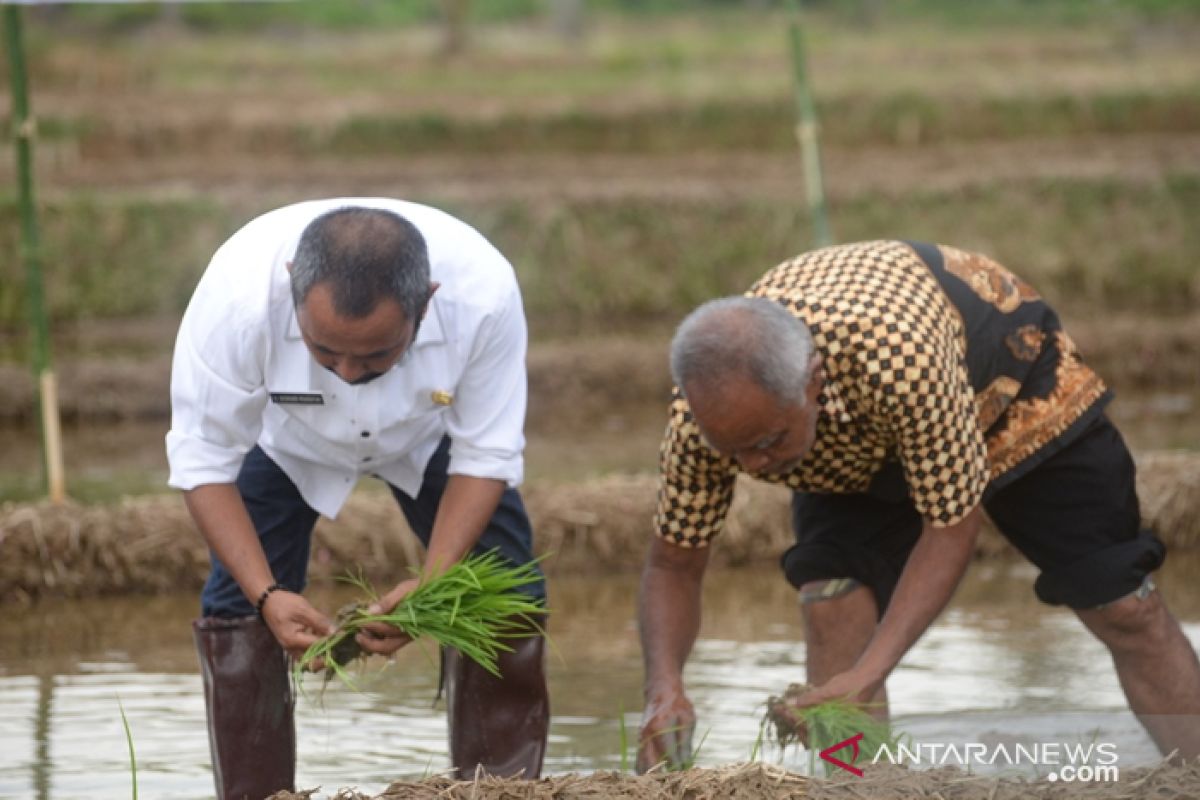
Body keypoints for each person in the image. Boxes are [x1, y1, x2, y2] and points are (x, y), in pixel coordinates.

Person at [636, 239, 1200, 772]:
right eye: (733, 450)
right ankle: (860, 789)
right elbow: (673, 564)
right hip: (856, 440)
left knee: (1122, 603)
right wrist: (664, 686)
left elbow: (952, 526)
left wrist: (871, 671)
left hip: (1010, 383)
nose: (753, 468)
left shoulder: (897, 358)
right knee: (833, 601)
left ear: (813, 382)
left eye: (765, 444)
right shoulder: (702, 424)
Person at [167, 199, 549, 799]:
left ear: (427, 301)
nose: (347, 373)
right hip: (287, 438)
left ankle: (501, 791)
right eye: (323, 352)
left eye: (375, 355)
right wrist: (266, 595)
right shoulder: (237, 299)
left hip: (429, 434)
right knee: (235, 607)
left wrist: (434, 581)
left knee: (506, 590)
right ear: (292, 286)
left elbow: (486, 455)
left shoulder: (484, 295)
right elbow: (202, 460)